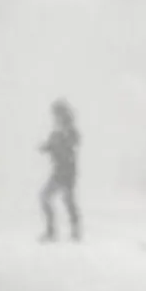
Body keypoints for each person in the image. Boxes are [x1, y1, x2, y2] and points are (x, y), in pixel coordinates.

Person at [39, 98, 81, 242]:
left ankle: (71, 230)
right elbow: (53, 144)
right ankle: (55, 231)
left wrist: (56, 145)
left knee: (65, 199)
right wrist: (46, 147)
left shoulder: (68, 129)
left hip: (67, 171)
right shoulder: (58, 129)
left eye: (55, 113)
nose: (53, 116)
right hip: (60, 171)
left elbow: (72, 143)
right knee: (49, 198)